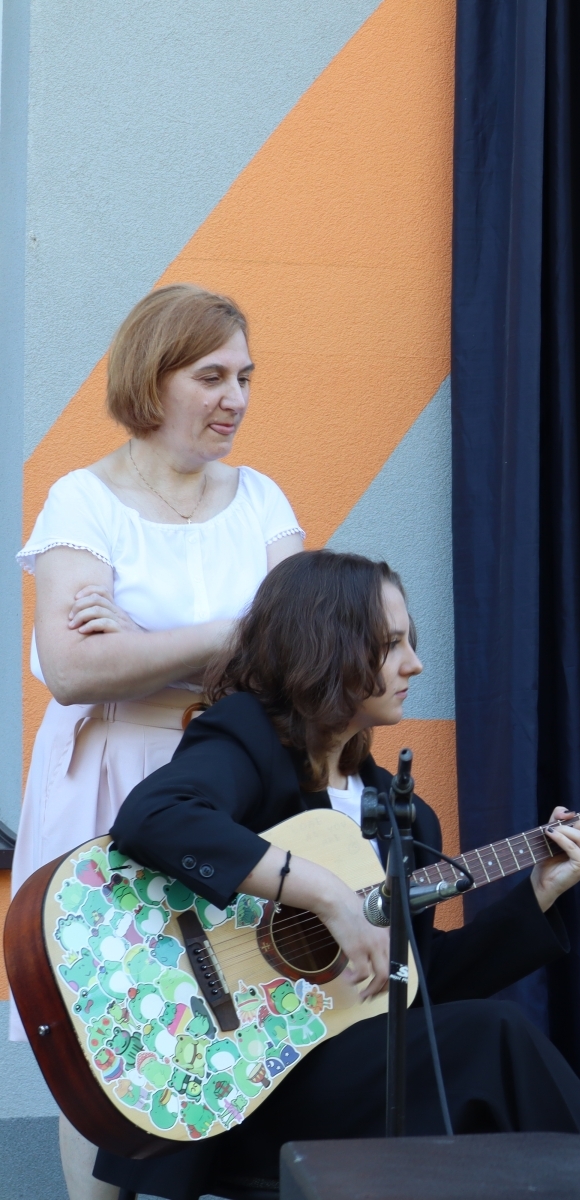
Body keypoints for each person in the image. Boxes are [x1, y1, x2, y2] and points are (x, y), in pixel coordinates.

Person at [89, 550, 580, 1200]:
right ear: (325, 646)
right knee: (497, 1036)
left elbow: (419, 983)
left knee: (484, 1040)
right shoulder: (248, 742)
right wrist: (328, 895)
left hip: (354, 1069)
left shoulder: (403, 816)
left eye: (409, 643)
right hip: (242, 1076)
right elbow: (153, 816)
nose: (414, 664)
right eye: (391, 645)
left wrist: (540, 891)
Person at [8, 284, 304, 1199]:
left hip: (233, 781)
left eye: (245, 377)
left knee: (235, 1012)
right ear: (152, 377)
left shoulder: (262, 500)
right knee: (105, 1038)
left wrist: (142, 643)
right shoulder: (82, 500)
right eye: (211, 376)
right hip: (110, 783)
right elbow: (73, 670)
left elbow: (301, 660)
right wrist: (236, 635)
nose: (235, 398)